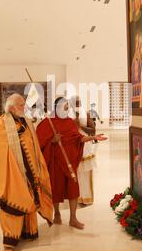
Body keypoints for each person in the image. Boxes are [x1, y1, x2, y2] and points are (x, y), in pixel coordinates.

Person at [0, 94, 53, 251]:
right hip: (13, 171)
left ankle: (28, 232)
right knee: (14, 201)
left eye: (24, 104)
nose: (24, 107)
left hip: (31, 170)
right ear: (11, 107)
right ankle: (9, 244)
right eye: (20, 105)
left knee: (31, 198)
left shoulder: (26, 121)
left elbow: (34, 144)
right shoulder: (2, 122)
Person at [36, 97, 107, 229]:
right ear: (57, 108)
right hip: (55, 163)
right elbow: (38, 144)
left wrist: (93, 137)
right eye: (65, 106)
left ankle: (73, 219)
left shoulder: (70, 123)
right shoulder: (47, 123)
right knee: (56, 189)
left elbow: (78, 139)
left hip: (69, 163)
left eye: (68, 105)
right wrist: (52, 141)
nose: (68, 108)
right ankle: (56, 214)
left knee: (73, 188)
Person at [70, 96, 97, 206]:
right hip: (73, 145)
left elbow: (93, 130)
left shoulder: (86, 113)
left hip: (85, 146)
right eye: (75, 102)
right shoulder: (67, 115)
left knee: (86, 172)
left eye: (79, 102)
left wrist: (80, 126)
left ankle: (87, 197)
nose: (77, 104)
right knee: (76, 172)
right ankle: (77, 196)